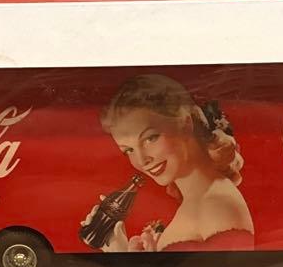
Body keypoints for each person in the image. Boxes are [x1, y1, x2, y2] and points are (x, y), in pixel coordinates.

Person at [93, 73, 253, 253]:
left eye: (150, 138)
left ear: (185, 124)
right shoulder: (199, 202)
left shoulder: (217, 206)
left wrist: (121, 256)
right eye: (128, 150)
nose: (142, 160)